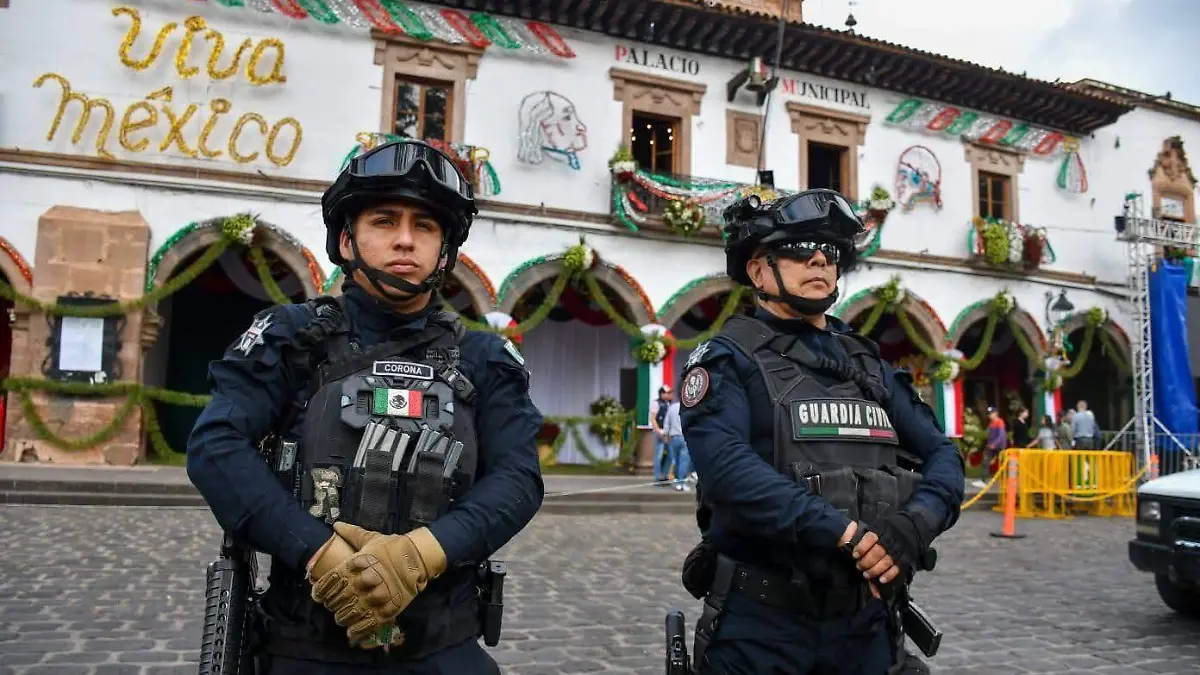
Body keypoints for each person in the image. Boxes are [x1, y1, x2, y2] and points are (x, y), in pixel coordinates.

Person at [187, 139, 545, 674]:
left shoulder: (485, 357)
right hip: (303, 645)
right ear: (348, 240)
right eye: (384, 220)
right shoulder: (288, 339)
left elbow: (518, 477)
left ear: (444, 250)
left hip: (442, 647)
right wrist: (318, 553)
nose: (405, 239)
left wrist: (420, 556)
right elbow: (216, 447)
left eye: (425, 226)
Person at [677, 190, 965, 675]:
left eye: (830, 252)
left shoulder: (866, 362)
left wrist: (911, 528)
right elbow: (728, 470)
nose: (818, 259)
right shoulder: (727, 359)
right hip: (763, 628)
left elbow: (943, 455)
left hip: (868, 625)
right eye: (797, 248)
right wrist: (844, 535)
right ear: (758, 270)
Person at [651, 385, 674, 484]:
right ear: (661, 394)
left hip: (668, 432)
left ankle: (664, 475)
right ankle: (657, 478)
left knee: (671, 455)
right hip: (660, 431)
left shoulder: (669, 404)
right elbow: (653, 419)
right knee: (658, 455)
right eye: (667, 393)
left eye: (670, 393)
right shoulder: (656, 403)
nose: (669, 395)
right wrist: (658, 431)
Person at [984, 407, 1008, 473]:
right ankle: (984, 480)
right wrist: (989, 444)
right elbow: (989, 435)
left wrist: (994, 444)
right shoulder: (990, 423)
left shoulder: (1000, 422)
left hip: (1000, 446)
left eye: (991, 413)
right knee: (985, 462)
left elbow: (1001, 435)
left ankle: (1004, 478)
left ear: (996, 413)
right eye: (988, 414)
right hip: (991, 446)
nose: (989, 415)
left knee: (1002, 463)